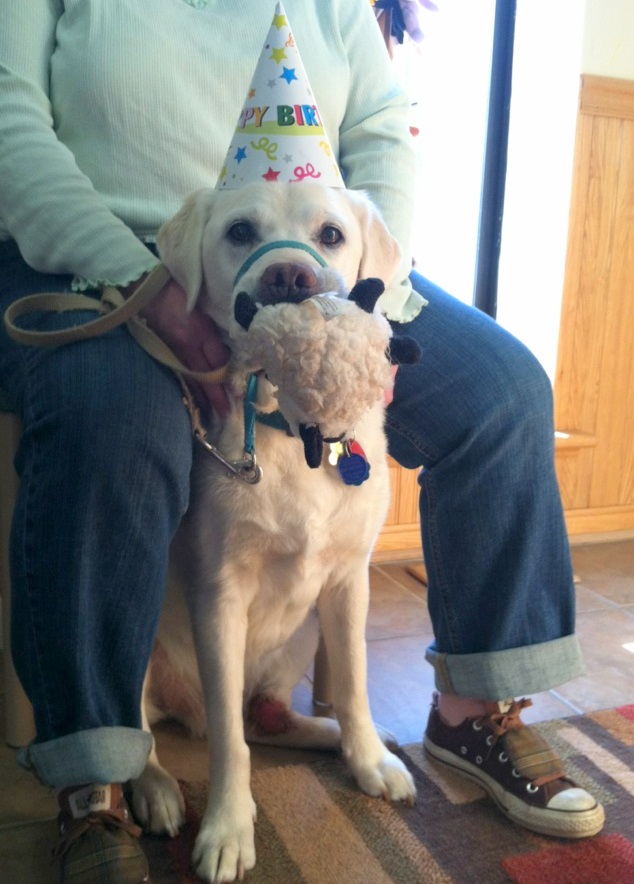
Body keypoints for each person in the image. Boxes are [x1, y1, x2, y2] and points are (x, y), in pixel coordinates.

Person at [0, 1, 603, 882]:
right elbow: (10, 122)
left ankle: (476, 713)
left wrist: (370, 302)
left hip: (334, 275)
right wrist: (145, 282)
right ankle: (97, 777)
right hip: (102, 251)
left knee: (504, 393)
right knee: (113, 420)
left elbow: (384, 129)